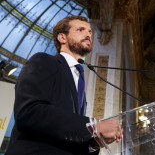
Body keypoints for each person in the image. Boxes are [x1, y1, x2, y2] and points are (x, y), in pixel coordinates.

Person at [6, 15, 122, 155]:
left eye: (90, 32)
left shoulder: (79, 79)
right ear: (62, 38)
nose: (88, 35)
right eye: (80, 30)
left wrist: (93, 143)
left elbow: (66, 133)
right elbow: (29, 112)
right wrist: (93, 126)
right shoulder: (43, 61)